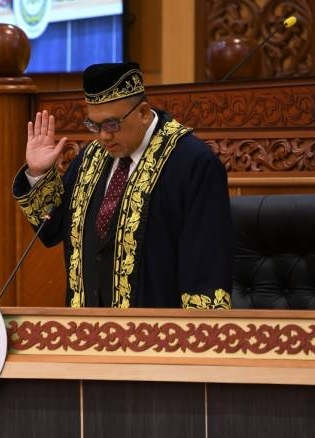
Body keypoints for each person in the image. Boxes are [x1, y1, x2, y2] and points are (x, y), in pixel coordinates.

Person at [12, 61, 233, 309]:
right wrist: (39, 174)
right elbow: (51, 229)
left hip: (159, 337)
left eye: (112, 124)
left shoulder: (192, 162)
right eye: (94, 125)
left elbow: (206, 265)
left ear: (143, 113)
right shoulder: (91, 157)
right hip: (89, 331)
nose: (103, 136)